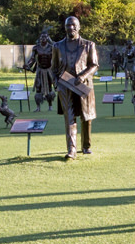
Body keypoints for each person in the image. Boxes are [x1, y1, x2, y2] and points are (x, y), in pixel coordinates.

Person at [51, 16, 99, 159]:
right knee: (69, 117)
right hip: (65, 84)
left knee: (86, 117)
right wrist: (56, 82)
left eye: (73, 25)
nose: (70, 28)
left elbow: (94, 65)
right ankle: (71, 149)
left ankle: (86, 146)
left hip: (83, 84)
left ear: (78, 27)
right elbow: (53, 68)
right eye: (67, 25)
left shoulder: (89, 45)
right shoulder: (57, 46)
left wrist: (83, 76)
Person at [25, 30, 55, 112]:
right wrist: (28, 65)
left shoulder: (52, 47)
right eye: (42, 37)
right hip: (40, 70)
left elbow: (56, 59)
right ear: (40, 38)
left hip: (48, 70)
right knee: (38, 87)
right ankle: (38, 107)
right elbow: (32, 58)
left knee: (49, 87)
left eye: (45, 37)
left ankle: (50, 106)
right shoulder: (36, 48)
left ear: (48, 38)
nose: (43, 39)